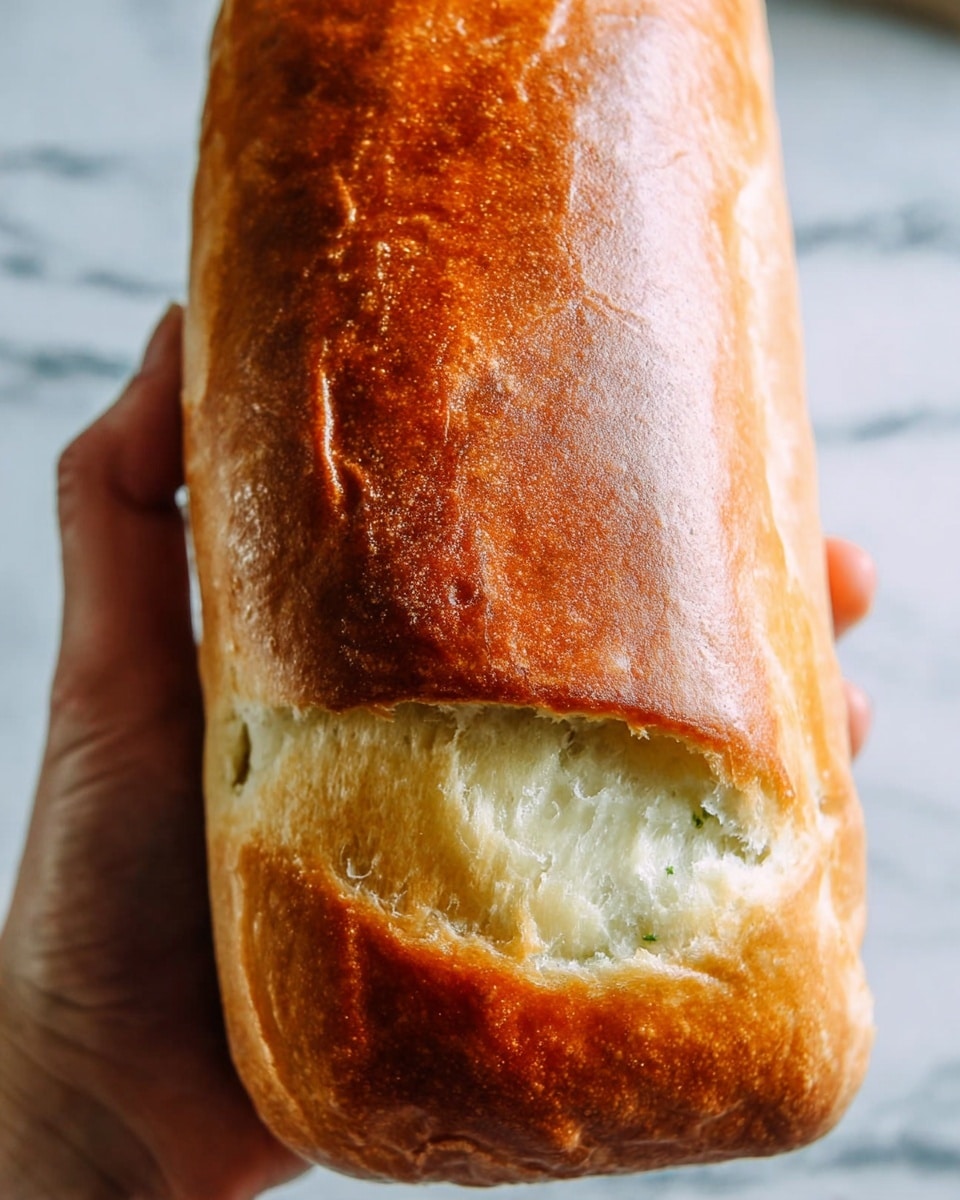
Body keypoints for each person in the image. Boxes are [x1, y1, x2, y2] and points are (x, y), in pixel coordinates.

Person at [0, 307, 877, 1199]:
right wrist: (73, 1110)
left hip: (329, 1075)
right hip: (346, 1067)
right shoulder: (326, 1066)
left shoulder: (326, 1069)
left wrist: (76, 1117)